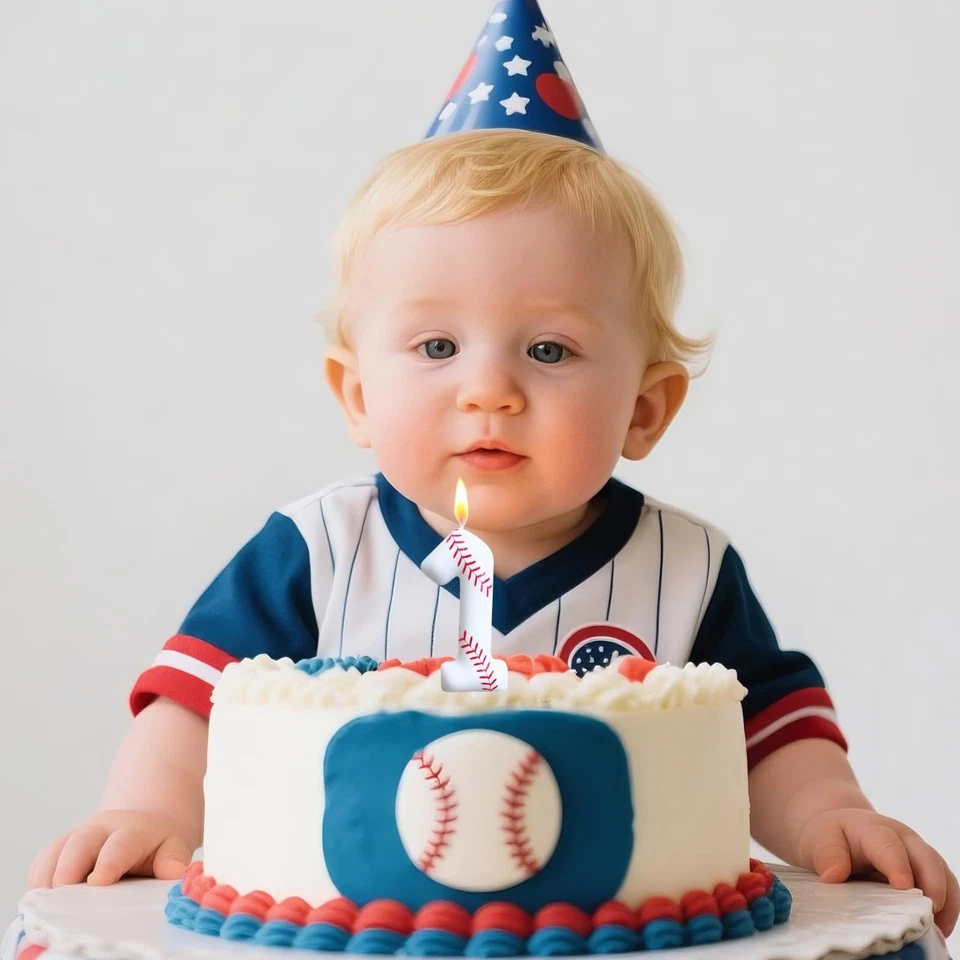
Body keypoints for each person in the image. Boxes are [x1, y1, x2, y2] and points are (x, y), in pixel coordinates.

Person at [25, 0, 958, 937]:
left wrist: (827, 812)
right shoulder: (314, 550)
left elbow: (767, 732)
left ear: (645, 409)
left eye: (549, 351)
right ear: (355, 395)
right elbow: (195, 704)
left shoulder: (686, 568)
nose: (490, 390)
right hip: (343, 935)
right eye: (435, 345)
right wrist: (148, 811)